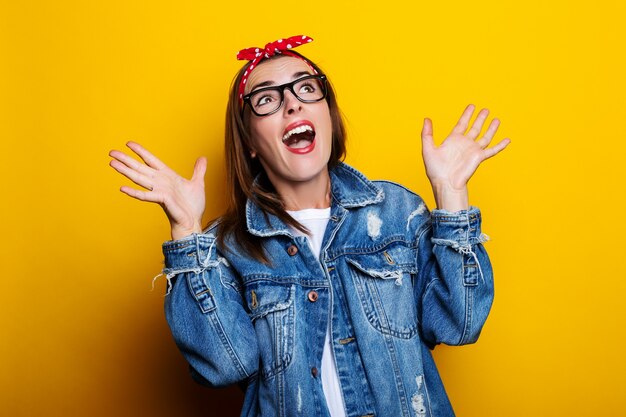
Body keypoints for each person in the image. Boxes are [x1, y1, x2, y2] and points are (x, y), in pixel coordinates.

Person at [109, 35, 510, 417]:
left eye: (305, 89)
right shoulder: (224, 248)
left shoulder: (397, 212)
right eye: (266, 99)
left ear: (328, 115)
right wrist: (186, 232)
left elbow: (460, 323)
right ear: (249, 139)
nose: (292, 105)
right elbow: (223, 365)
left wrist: (452, 197)